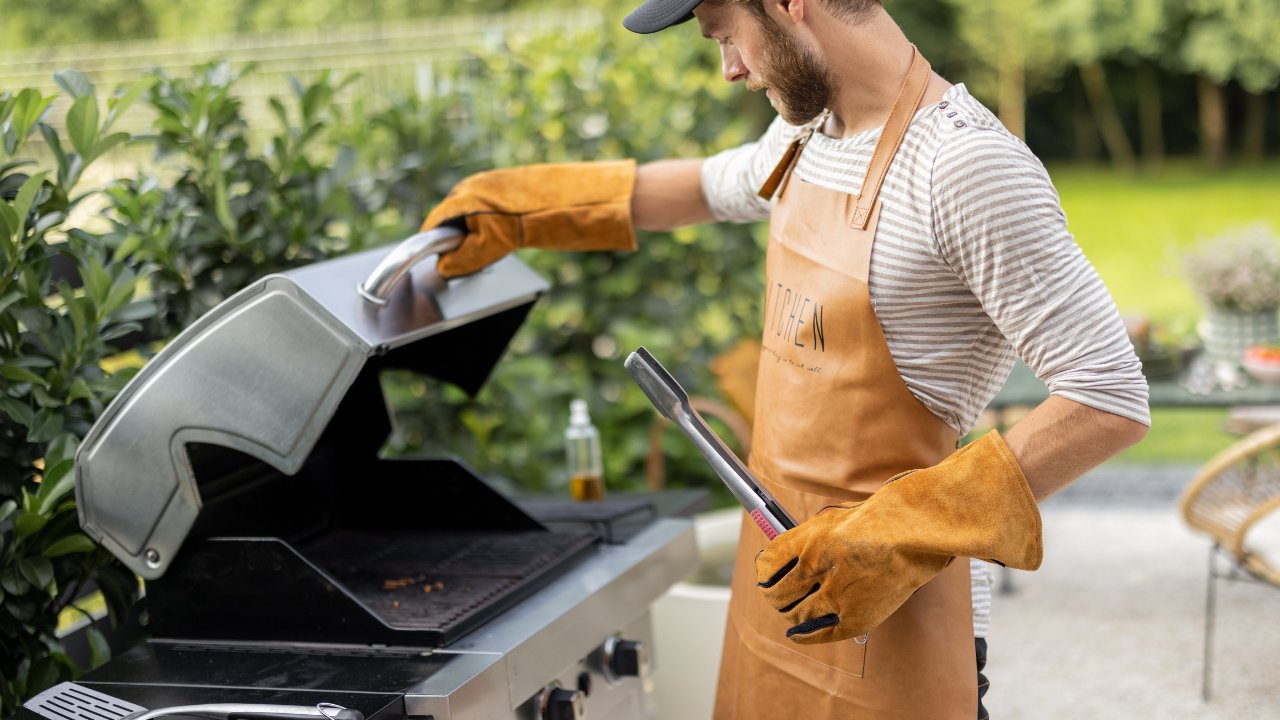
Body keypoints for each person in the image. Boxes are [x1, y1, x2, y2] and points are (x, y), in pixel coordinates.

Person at [421, 0, 1151, 716]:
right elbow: (711, 186)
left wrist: (893, 532)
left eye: (725, 34)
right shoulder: (811, 132)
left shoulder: (964, 166)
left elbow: (1107, 395)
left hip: (892, 618)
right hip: (780, 588)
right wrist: (523, 209)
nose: (727, 69)